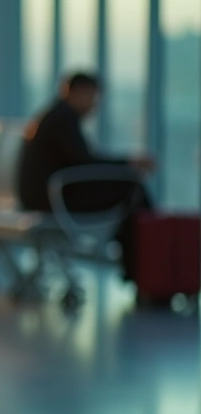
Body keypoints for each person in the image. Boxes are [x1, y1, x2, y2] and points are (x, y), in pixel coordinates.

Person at [18, 72, 155, 283]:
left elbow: (82, 160)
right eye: (93, 97)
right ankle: (148, 262)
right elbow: (85, 162)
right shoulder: (63, 120)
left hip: (42, 197)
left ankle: (140, 263)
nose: (94, 105)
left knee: (130, 191)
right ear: (79, 93)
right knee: (133, 189)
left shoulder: (54, 116)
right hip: (53, 200)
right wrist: (128, 165)